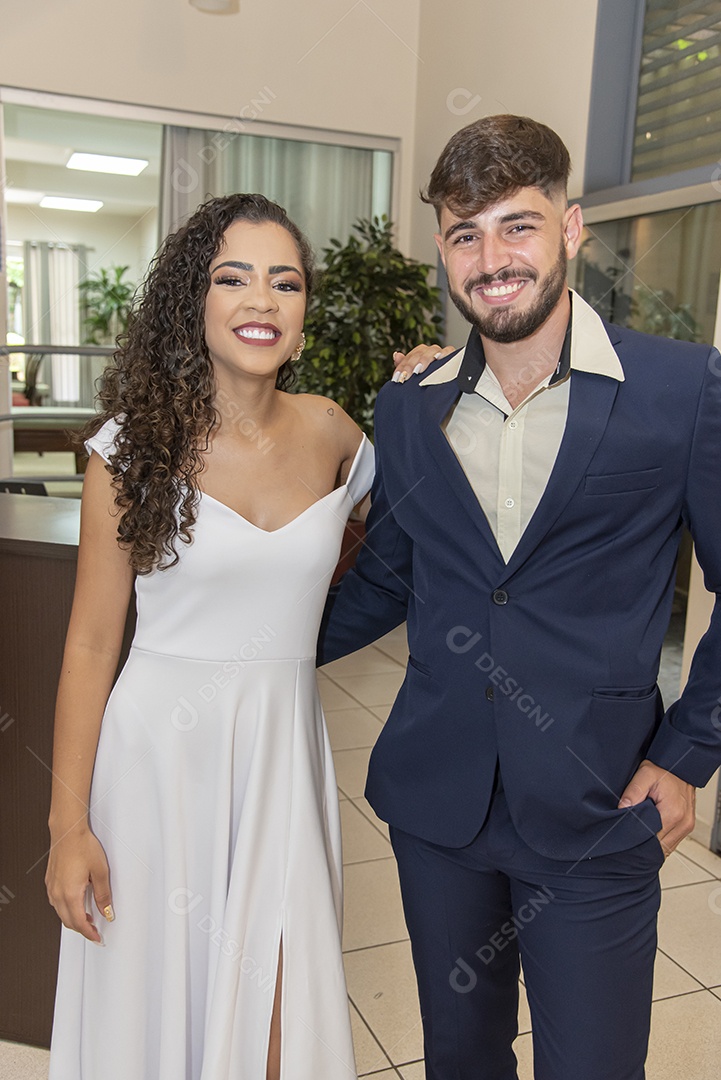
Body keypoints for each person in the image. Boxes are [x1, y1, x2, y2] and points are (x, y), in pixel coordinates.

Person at [318, 115, 721, 1080]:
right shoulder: (410, 404)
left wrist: (684, 758)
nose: (491, 257)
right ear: (442, 252)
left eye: (516, 225)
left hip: (596, 798)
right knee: (460, 1055)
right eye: (464, 233)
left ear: (571, 228)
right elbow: (388, 573)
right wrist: (252, 646)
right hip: (435, 804)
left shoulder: (682, 390)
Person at [45, 193, 373, 1080]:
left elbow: (402, 547)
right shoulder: (130, 450)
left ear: (304, 313)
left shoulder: (337, 433)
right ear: (196, 302)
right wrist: (66, 826)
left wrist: (429, 379)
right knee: (154, 1009)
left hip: (281, 760)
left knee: (278, 1019)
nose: (260, 300)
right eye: (233, 278)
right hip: (156, 765)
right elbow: (88, 645)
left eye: (284, 282)